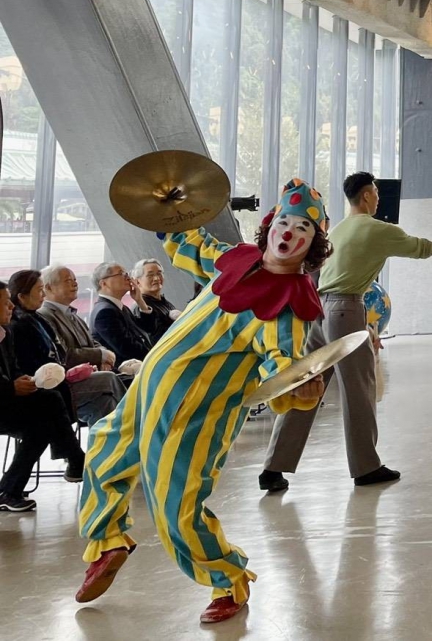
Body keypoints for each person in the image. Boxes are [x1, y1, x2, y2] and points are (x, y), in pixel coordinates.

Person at [74, 180, 331, 624]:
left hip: (193, 416)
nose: (289, 232)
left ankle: (229, 579)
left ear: (312, 246)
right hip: (146, 393)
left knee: (176, 507)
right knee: (102, 452)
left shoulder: (289, 310)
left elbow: (284, 371)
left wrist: (301, 389)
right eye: (285, 222)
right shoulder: (238, 260)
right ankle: (108, 541)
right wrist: (169, 206)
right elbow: (193, 243)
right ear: (270, 226)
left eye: (303, 229)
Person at [259, 172, 432, 493]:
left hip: (318, 311)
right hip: (345, 309)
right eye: (375, 192)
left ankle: (273, 468)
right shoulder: (378, 229)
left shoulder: (338, 229)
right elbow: (423, 248)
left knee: (305, 387)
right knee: (359, 389)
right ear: (366, 195)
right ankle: (366, 467)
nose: (378, 197)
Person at [0, 280, 87, 513]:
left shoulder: (6, 333)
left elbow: (14, 369)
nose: (11, 306)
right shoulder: (18, 326)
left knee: (44, 420)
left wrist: (23, 380)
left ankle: (8, 491)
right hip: (3, 401)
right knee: (50, 403)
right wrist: (11, 388)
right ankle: (75, 457)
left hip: (6, 403)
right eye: (5, 302)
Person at [7, 270, 126, 426]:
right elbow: (39, 362)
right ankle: (133, 427)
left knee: (104, 401)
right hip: (49, 384)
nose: (43, 294)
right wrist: (92, 360)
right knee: (109, 379)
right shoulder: (25, 323)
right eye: (39, 290)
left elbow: (77, 347)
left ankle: (107, 439)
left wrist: (90, 363)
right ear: (22, 296)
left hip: (64, 376)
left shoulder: (38, 318)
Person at [37, 265, 117, 373]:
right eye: (68, 280)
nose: (75, 284)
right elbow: (63, 354)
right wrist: (101, 355)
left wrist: (104, 356)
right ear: (49, 287)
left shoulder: (73, 315)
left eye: (75, 280)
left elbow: (93, 343)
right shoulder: (44, 315)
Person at [88, 262, 152, 364]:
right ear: (103, 283)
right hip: (125, 370)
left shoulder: (119, 307)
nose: (128, 277)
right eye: (121, 273)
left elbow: (148, 329)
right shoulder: (104, 312)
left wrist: (140, 301)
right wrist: (154, 356)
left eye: (127, 273)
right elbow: (128, 349)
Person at [130, 258, 180, 345]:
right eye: (150, 275)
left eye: (159, 273)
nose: (157, 278)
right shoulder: (141, 307)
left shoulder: (162, 301)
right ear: (137, 282)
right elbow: (154, 337)